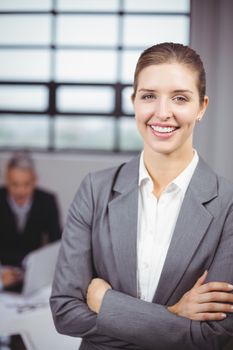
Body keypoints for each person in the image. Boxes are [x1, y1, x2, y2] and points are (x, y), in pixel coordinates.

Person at [50, 42, 233, 350]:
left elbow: (214, 335)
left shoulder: (228, 203)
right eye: (149, 96)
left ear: (201, 107)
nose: (162, 113)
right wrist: (172, 316)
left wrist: (105, 302)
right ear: (134, 101)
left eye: (179, 98)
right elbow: (65, 312)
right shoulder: (95, 189)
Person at [0, 152, 61, 291]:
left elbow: (56, 243)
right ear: (7, 180)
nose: (21, 191)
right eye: (15, 184)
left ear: (35, 181)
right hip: (3, 273)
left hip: (34, 273)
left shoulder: (47, 201)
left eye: (26, 184)